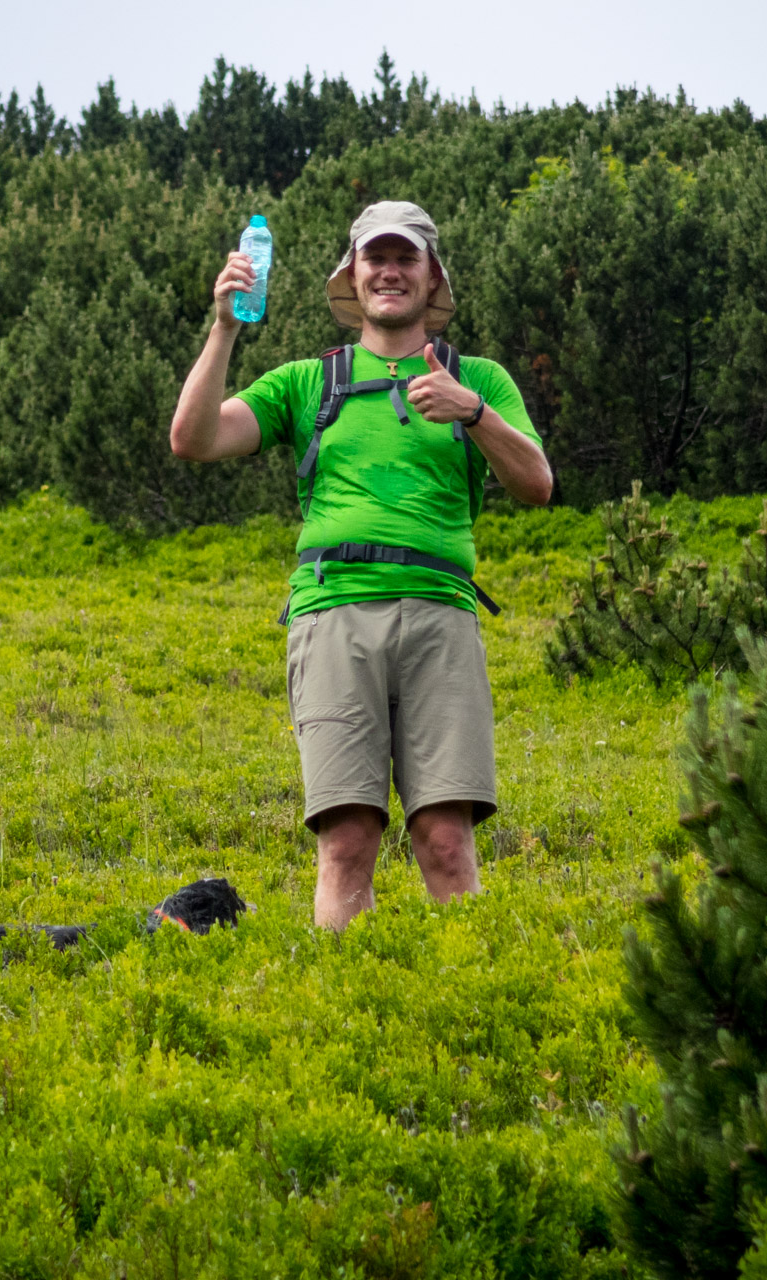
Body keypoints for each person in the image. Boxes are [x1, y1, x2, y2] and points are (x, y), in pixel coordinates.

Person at [170, 201, 553, 929]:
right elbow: (192, 439)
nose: (389, 271)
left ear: (432, 275)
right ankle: (349, 998)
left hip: (442, 614)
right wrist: (223, 325)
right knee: (347, 842)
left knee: (446, 841)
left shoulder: (481, 380)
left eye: (406, 258)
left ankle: (471, 998)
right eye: (375, 258)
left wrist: (473, 412)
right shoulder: (307, 382)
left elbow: (537, 485)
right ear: (352, 274)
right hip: (332, 613)